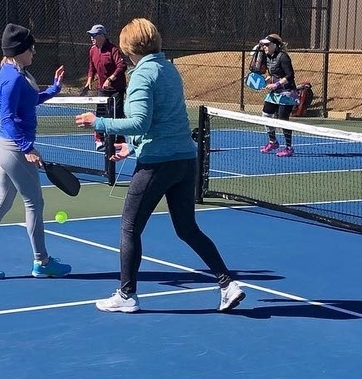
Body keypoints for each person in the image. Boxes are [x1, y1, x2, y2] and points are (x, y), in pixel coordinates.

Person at [75, 18, 245, 314]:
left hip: (158, 164)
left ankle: (126, 295)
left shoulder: (142, 76)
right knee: (187, 228)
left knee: (129, 227)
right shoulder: (168, 69)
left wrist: (98, 121)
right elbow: (162, 120)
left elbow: (140, 121)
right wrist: (133, 146)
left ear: (129, 47)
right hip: (184, 161)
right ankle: (228, 284)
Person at [0, 23, 72, 280]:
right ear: (20, 50)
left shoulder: (14, 72)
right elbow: (8, 117)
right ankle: (42, 262)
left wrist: (53, 90)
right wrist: (27, 148)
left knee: (1, 202)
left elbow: (28, 102)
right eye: (31, 48)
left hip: (4, 147)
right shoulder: (12, 79)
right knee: (34, 202)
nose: (34, 52)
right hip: (12, 148)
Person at [250, 33, 298, 157]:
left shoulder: (283, 57)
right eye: (263, 45)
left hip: (287, 92)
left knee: (283, 120)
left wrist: (276, 85)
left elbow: (290, 76)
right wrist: (267, 80)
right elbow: (275, 74)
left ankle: (288, 147)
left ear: (275, 45)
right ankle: (273, 141)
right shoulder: (269, 57)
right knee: (265, 114)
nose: (264, 47)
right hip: (275, 93)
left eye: (267, 44)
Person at [82, 24, 127, 147]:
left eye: (94, 35)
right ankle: (99, 140)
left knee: (117, 114)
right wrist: (89, 80)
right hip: (102, 88)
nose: (91, 38)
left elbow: (122, 66)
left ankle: (120, 139)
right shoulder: (92, 50)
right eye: (91, 35)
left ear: (102, 36)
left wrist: (111, 79)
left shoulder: (113, 49)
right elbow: (92, 67)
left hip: (117, 88)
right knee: (100, 112)